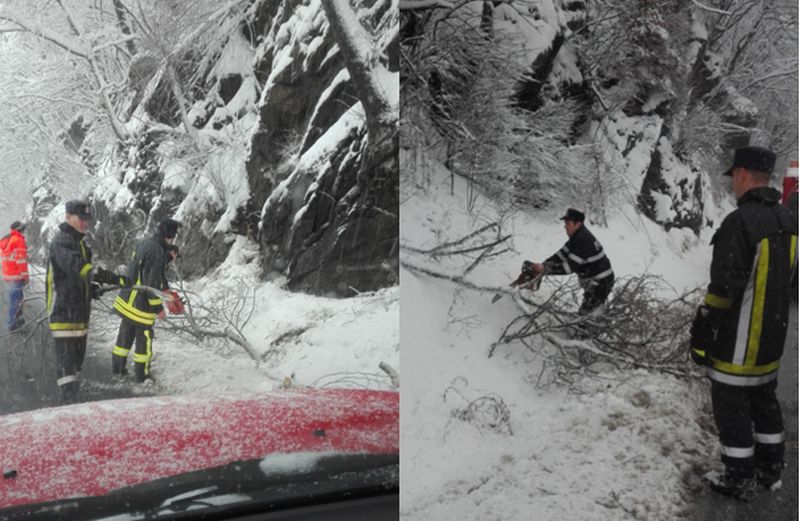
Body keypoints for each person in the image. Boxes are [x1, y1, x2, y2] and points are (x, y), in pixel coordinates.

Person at [690, 146, 797, 502]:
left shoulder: (740, 222)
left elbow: (723, 290)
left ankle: (739, 476)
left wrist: (702, 330)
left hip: (738, 342)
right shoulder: (789, 221)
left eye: (733, 177)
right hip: (772, 340)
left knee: (731, 406)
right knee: (764, 401)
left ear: (741, 174)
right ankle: (770, 468)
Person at [46, 200, 132, 404]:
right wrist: (110, 277)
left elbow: (75, 278)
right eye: (81, 218)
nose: (85, 223)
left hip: (79, 315)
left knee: (75, 365)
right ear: (68, 217)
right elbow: (79, 269)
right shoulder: (62, 242)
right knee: (67, 368)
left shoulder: (80, 244)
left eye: (87, 219)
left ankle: (72, 400)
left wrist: (91, 290)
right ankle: (69, 408)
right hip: (63, 313)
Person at [112, 219, 181, 383]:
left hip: (127, 299)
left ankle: (118, 369)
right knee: (144, 338)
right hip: (140, 306)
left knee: (124, 337)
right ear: (169, 236)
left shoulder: (146, 244)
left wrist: (166, 264)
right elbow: (151, 283)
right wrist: (159, 308)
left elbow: (145, 271)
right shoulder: (157, 253)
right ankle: (142, 376)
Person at [528, 208, 614, 314]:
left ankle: (592, 327)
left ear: (578, 224)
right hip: (595, 280)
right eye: (565, 223)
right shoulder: (576, 237)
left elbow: (568, 268)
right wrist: (542, 265)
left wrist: (544, 269)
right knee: (588, 311)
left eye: (568, 223)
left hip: (601, 281)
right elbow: (560, 256)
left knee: (587, 313)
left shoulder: (583, 241)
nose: (565, 226)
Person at [0, 221, 29, 331]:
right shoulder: (18, 240)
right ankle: (13, 324)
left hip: (9, 275)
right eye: (23, 229)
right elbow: (21, 261)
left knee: (17, 299)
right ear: (20, 229)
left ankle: (18, 320)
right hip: (16, 276)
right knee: (16, 300)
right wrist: (25, 277)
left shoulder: (8, 239)